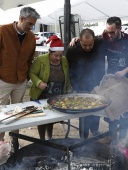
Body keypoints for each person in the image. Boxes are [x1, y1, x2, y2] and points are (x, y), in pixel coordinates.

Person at [0, 7, 40, 152]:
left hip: (21, 80)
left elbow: (30, 58)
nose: (31, 27)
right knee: (1, 113)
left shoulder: (30, 37)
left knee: (17, 112)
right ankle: (1, 144)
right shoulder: (3, 31)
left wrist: (26, 75)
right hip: (3, 80)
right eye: (29, 24)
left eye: (33, 25)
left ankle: (14, 142)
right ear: (21, 19)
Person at [101, 17, 128, 145]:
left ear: (120, 28)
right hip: (112, 81)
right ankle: (112, 137)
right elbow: (91, 39)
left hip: (126, 79)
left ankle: (123, 138)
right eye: (108, 32)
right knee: (112, 108)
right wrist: (76, 39)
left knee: (125, 109)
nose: (110, 35)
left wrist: (124, 71)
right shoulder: (105, 37)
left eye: (112, 32)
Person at [29, 35, 72, 140]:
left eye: (60, 55)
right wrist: (39, 82)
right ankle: (42, 139)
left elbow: (67, 75)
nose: (58, 58)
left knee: (51, 118)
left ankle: (50, 138)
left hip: (57, 95)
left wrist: (68, 89)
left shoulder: (64, 60)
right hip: (41, 94)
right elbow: (32, 73)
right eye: (55, 56)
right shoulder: (41, 60)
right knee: (42, 118)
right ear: (50, 52)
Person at [65, 28, 105, 139]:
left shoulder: (100, 42)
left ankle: (95, 129)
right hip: (80, 83)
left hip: (97, 83)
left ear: (94, 41)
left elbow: (109, 32)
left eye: (90, 45)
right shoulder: (72, 50)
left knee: (96, 108)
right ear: (79, 41)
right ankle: (83, 136)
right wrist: (72, 86)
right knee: (83, 111)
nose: (88, 48)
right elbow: (68, 68)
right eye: (84, 45)